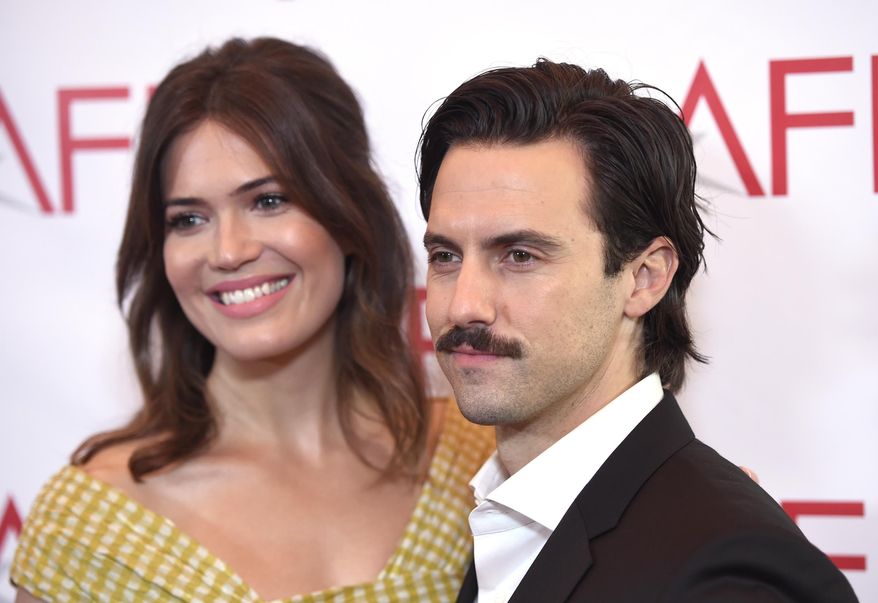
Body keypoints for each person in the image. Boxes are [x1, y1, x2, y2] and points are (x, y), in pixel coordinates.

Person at [11, 37, 493, 602]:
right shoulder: (91, 528)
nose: (228, 250)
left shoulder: (478, 458)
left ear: (347, 213)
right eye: (189, 218)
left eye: (268, 201)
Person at [417, 59, 859, 602]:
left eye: (519, 255)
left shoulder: (727, 575)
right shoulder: (510, 515)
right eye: (445, 255)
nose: (463, 305)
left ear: (644, 278)